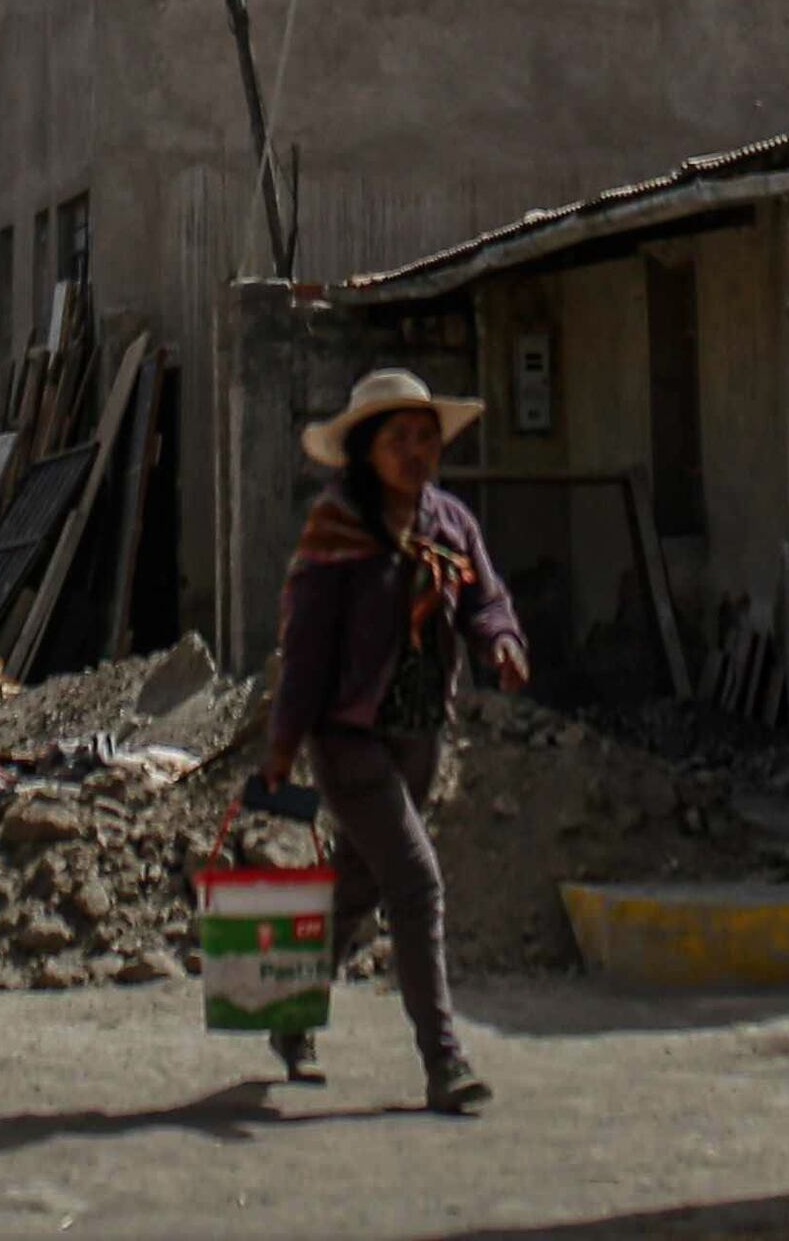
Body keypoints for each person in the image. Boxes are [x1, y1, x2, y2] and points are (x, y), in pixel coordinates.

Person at [249, 365, 527, 1114]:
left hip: (420, 735)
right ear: (367, 449)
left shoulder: (451, 523)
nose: (416, 451)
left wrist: (501, 642)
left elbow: (483, 600)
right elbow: (306, 647)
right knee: (416, 879)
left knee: (362, 886)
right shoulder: (336, 529)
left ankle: (290, 1012)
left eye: (425, 438)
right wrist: (283, 743)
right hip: (348, 740)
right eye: (399, 438)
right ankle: (444, 1059)